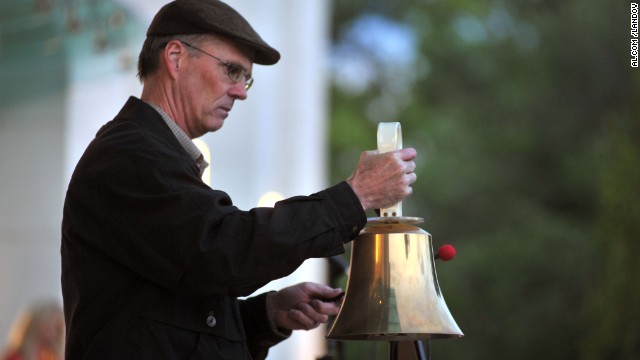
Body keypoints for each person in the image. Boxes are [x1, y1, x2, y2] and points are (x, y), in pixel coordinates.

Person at [60, 0, 417, 359]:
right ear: (175, 57)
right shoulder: (130, 155)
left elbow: (169, 319)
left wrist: (266, 314)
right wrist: (354, 196)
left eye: (245, 78)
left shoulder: (148, 154)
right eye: (231, 70)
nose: (241, 91)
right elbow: (219, 252)